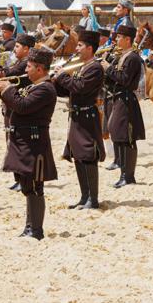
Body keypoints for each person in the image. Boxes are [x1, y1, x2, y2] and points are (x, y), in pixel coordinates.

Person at [0, 46, 59, 239]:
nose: (25, 70)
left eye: (29, 67)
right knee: (27, 186)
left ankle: (36, 230)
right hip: (24, 142)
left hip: (34, 144)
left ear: (40, 69)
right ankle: (29, 227)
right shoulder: (34, 87)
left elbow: (22, 106)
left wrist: (8, 89)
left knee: (34, 187)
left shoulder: (46, 89)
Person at [53, 28, 106, 210]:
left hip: (87, 117)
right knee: (78, 156)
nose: (77, 49)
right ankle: (84, 197)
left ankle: (93, 198)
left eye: (80, 45)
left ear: (90, 48)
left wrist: (63, 76)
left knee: (88, 155)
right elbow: (69, 91)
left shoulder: (95, 68)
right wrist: (56, 80)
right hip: (76, 115)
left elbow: (80, 87)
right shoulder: (82, 67)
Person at [0, 33, 34, 190]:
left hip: (17, 105)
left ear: (27, 49)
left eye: (17, 47)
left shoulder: (26, 63)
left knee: (17, 143)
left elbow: (6, 74)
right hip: (10, 104)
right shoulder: (20, 62)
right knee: (11, 142)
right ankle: (18, 179)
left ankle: (22, 179)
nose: (14, 49)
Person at [104, 24, 145, 189]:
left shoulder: (133, 58)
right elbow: (114, 79)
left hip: (127, 99)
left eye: (119, 37)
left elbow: (125, 79)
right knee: (118, 135)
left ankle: (128, 176)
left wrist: (108, 69)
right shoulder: (122, 56)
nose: (116, 40)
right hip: (119, 98)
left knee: (127, 138)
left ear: (128, 39)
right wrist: (107, 66)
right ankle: (123, 172)